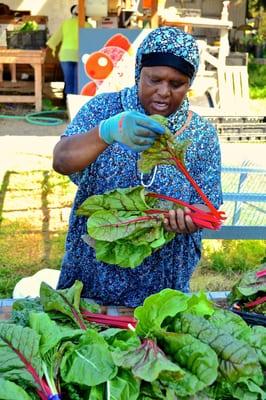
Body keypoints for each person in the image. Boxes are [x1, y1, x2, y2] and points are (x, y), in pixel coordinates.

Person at [53, 27, 222, 308]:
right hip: (94, 273)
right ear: (138, 73)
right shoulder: (104, 109)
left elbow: (209, 208)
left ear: (189, 82)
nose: (164, 92)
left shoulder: (201, 134)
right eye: (154, 80)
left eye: (177, 83)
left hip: (164, 282)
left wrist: (188, 221)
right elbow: (61, 160)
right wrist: (107, 131)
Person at [46, 5, 91, 96]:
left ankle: (68, 103)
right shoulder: (88, 25)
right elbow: (92, 41)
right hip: (81, 56)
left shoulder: (65, 23)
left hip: (66, 55)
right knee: (78, 80)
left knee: (68, 80)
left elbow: (55, 39)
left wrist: (46, 48)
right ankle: (75, 102)